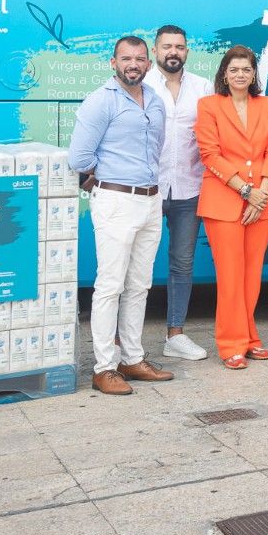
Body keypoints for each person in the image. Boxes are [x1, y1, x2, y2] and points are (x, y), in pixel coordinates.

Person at [67, 36, 175, 396]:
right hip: (116, 201)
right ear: (113, 62)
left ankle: (132, 358)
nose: (133, 64)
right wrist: (106, 174)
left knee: (139, 285)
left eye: (140, 59)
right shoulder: (101, 101)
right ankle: (104, 368)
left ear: (148, 64)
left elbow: (156, 149)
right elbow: (79, 158)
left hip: (150, 201)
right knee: (110, 286)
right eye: (126, 58)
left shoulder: (155, 100)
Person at [194, 45, 268, 368]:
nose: (240, 75)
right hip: (224, 201)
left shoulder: (267, 105)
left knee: (252, 276)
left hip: (262, 201)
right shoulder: (209, 105)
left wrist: (262, 192)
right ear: (224, 74)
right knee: (230, 277)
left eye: (246, 69)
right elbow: (209, 154)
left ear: (254, 73)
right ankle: (231, 343)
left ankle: (249, 338)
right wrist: (246, 191)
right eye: (234, 70)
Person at [147, 25, 213, 362]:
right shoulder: (140, 84)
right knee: (136, 264)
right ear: (155, 50)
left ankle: (175, 335)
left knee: (183, 263)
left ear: (187, 51)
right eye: (167, 46)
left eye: (179, 47)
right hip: (147, 188)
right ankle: (118, 340)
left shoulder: (203, 87)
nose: (173, 52)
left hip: (189, 188)